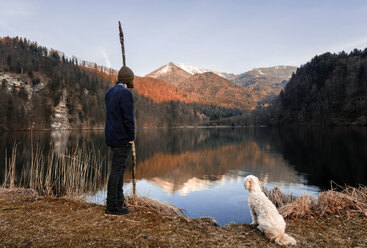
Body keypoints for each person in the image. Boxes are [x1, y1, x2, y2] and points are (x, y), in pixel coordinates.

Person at [104, 66, 135, 215]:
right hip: (122, 138)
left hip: (111, 137)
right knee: (117, 171)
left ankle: (118, 201)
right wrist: (131, 137)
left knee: (118, 170)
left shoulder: (109, 92)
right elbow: (128, 119)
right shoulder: (126, 94)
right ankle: (112, 206)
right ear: (129, 82)